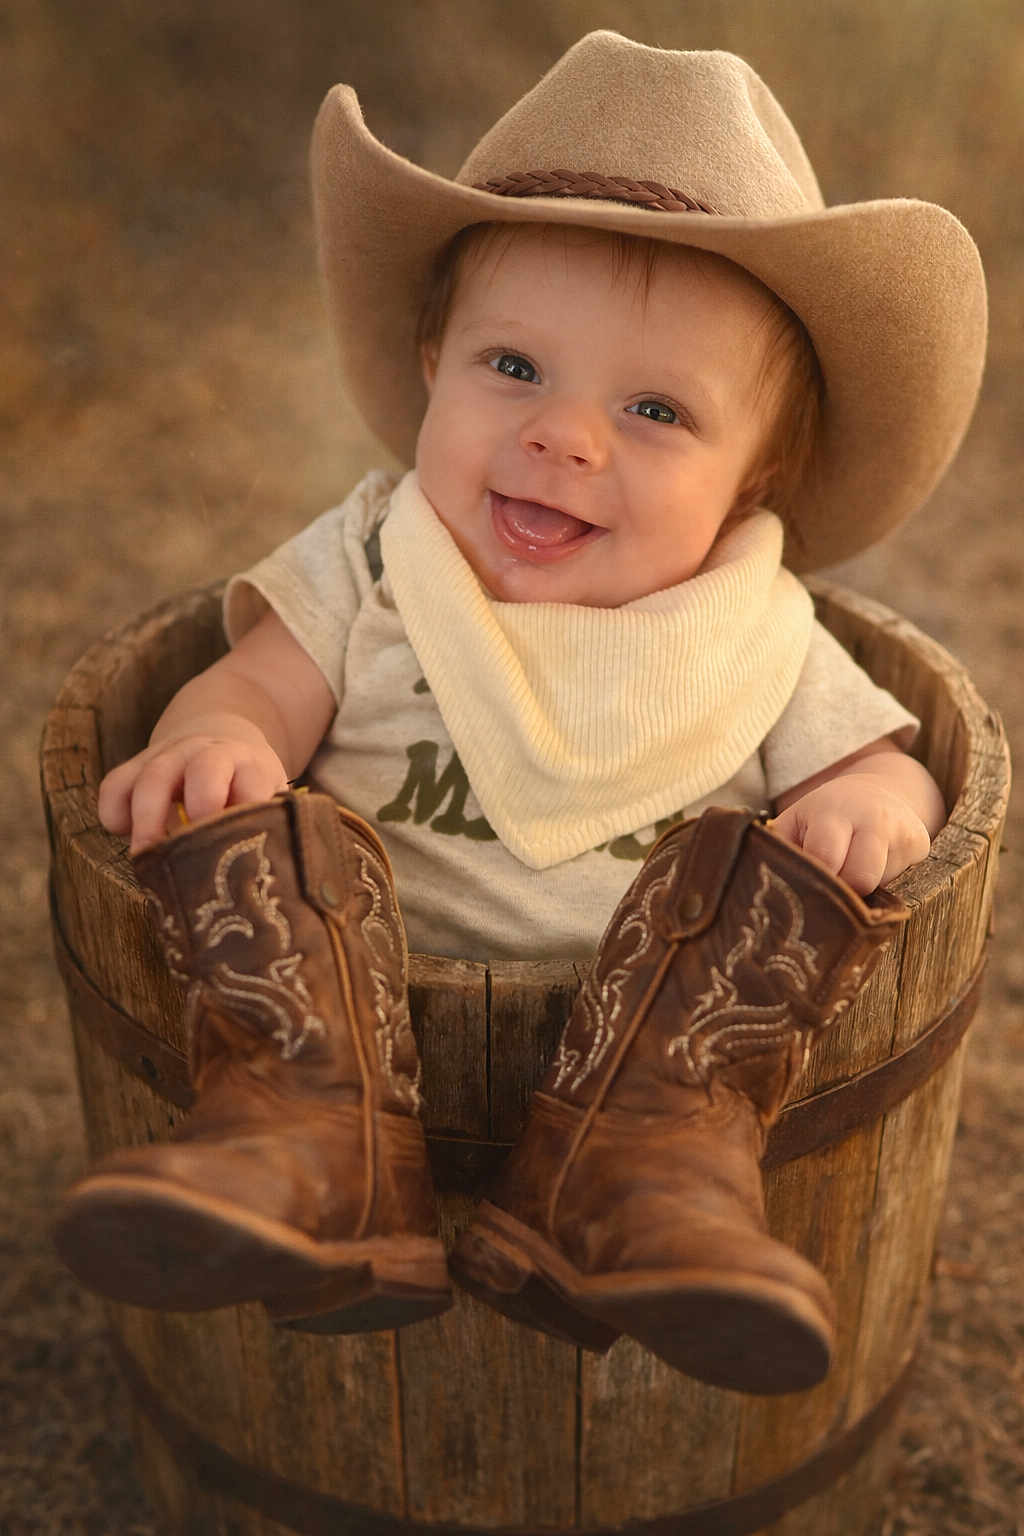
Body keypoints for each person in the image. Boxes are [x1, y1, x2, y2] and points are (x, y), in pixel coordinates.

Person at [54, 32, 985, 1394]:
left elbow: (882, 769)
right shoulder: (380, 556)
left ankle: (641, 1190)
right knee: (277, 848)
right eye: (515, 368)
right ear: (432, 361)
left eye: (657, 408)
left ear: (752, 480)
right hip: (352, 1021)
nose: (566, 436)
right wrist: (225, 733)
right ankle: (304, 1151)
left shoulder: (752, 627)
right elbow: (264, 679)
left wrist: (866, 804)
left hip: (646, 1059)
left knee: (751, 905)